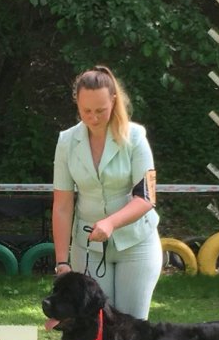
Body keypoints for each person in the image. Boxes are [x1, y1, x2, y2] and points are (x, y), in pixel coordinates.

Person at [52, 65, 161, 320]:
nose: (94, 117)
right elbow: (62, 205)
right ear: (76, 103)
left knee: (132, 329)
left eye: (100, 110)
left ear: (113, 101)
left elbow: (146, 197)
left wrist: (111, 223)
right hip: (88, 246)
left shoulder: (135, 137)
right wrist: (62, 261)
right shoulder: (66, 142)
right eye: (86, 110)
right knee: (94, 323)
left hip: (136, 243)